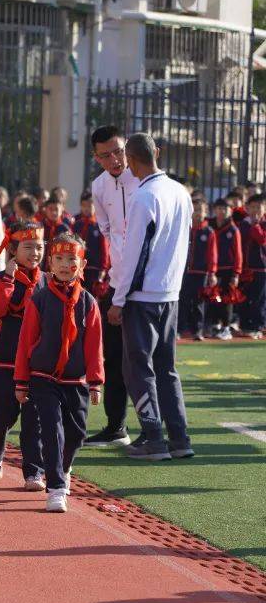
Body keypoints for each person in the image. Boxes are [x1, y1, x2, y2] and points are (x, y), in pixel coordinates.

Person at [108, 132, 193, 461]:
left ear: (130, 160)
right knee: (166, 367)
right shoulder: (180, 192)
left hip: (143, 295)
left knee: (138, 367)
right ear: (156, 152)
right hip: (170, 291)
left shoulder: (144, 197)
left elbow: (133, 254)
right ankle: (180, 437)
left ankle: (154, 438)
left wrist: (118, 299)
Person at [14, 233, 104, 512]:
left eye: (72, 259)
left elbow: (94, 345)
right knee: (52, 431)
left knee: (76, 434)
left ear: (83, 263)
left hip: (75, 380)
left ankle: (62, 469)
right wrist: (21, 380)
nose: (66, 265)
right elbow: (26, 340)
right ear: (50, 262)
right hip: (44, 378)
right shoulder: (39, 300)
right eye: (60, 259)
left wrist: (95, 381)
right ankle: (56, 488)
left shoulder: (89, 303)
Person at [83, 125, 137, 448]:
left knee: (146, 360)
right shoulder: (99, 186)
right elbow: (107, 231)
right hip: (117, 282)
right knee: (113, 355)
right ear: (96, 157)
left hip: (149, 285)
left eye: (118, 151)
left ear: (126, 146)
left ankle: (156, 431)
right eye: (105, 155)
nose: (115, 160)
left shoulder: (143, 178)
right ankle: (116, 425)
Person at [0, 222, 46, 490]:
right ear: (12, 249)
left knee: (35, 420)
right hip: (6, 358)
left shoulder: (48, 280)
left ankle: (34, 472)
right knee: (3, 416)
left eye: (40, 247)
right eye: (28, 247)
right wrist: (8, 279)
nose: (35, 252)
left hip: (37, 362)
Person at [178, 198, 217, 341]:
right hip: (185, 272)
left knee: (199, 303)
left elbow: (212, 254)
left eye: (201, 210)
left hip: (201, 273)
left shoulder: (209, 231)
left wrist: (212, 272)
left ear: (206, 212)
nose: (197, 213)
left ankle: (198, 330)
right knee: (182, 301)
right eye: (195, 210)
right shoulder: (184, 229)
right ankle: (180, 329)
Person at [208, 197, 242, 340]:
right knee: (214, 298)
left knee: (227, 300)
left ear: (230, 211)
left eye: (225, 209)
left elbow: (238, 253)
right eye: (219, 208)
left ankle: (226, 327)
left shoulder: (233, 230)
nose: (221, 212)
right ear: (214, 210)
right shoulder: (210, 227)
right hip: (213, 269)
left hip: (228, 269)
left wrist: (236, 273)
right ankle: (215, 324)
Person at [238, 194, 265, 338]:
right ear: (247, 209)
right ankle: (245, 325)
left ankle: (257, 326)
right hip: (246, 268)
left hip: (261, 268)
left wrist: (255, 225)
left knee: (259, 299)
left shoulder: (263, 224)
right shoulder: (243, 224)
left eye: (258, 207)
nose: (255, 210)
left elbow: (261, 239)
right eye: (252, 207)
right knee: (245, 298)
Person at [73, 191, 110, 295]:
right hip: (78, 267)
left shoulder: (100, 225)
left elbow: (105, 250)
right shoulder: (76, 224)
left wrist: (103, 269)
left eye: (90, 205)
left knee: (92, 297)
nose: (87, 208)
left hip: (94, 269)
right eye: (84, 205)